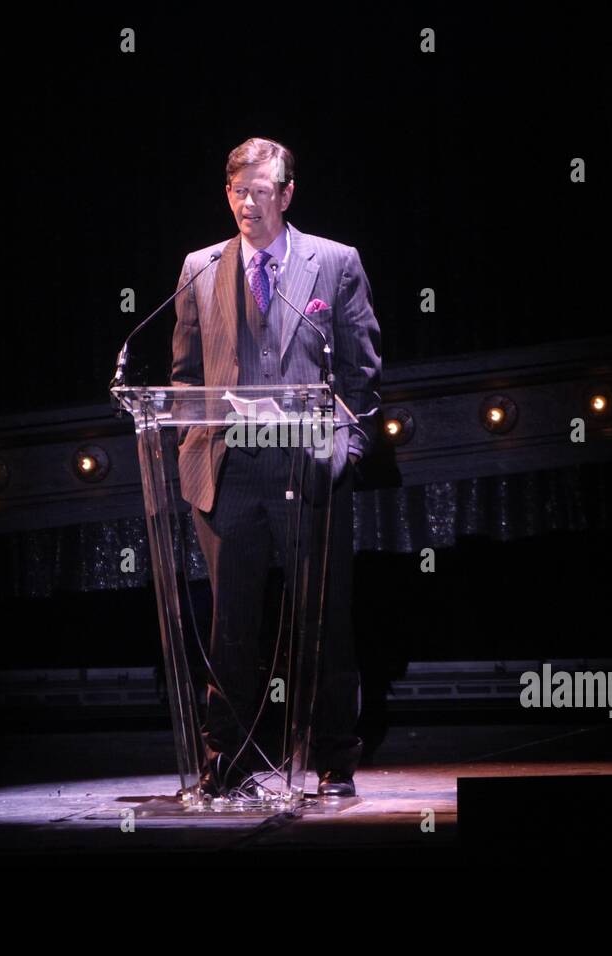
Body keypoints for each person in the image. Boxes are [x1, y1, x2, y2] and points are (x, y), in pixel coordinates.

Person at [171, 136, 382, 798]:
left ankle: (333, 759)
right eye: (238, 191)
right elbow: (183, 378)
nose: (247, 204)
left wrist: (343, 453)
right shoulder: (200, 267)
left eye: (261, 192)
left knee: (324, 621)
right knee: (232, 625)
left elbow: (362, 374)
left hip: (308, 466)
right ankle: (227, 763)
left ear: (287, 194)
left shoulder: (335, 264)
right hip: (233, 471)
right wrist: (191, 445)